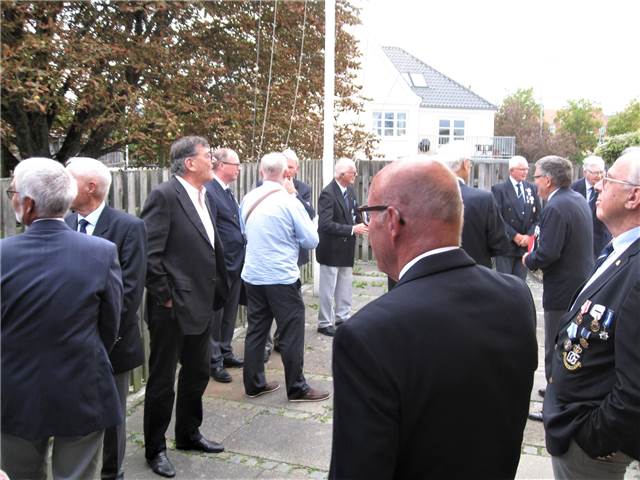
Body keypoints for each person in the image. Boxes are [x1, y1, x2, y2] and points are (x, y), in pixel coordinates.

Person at [329, 158, 537, 479]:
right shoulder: (516, 297)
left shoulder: (367, 335)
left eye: (369, 215)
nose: (367, 229)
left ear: (393, 221)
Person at [1, 158, 123, 479]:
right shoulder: (102, 252)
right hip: (83, 386)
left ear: (28, 204)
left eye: (13, 192)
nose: (11, 198)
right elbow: (109, 325)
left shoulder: (2, 255)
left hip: (15, 393)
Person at [543, 150, 640, 478]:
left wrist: (594, 437)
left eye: (608, 179)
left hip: (591, 446)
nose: (598, 185)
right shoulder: (619, 249)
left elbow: (635, 387)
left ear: (633, 197)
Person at [141, 136, 229, 478]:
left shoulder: (205, 196)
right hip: (173, 308)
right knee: (163, 381)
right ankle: (155, 449)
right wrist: (166, 297)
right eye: (208, 156)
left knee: (198, 372)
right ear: (189, 163)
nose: (214, 160)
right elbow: (150, 255)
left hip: (202, 303)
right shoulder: (164, 196)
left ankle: (188, 434)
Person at [65, 157, 147, 480]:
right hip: (70, 344)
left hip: (112, 343)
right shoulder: (65, 223)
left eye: (69, 180)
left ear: (91, 187)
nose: (63, 186)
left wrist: (96, 337)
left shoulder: (128, 227)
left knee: (112, 417)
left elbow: (129, 293)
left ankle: (113, 474)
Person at [240, 152, 329, 402]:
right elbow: (311, 240)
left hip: (253, 275)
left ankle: (254, 384)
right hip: (281, 277)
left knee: (256, 330)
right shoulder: (290, 202)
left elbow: (243, 231)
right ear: (285, 173)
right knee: (291, 333)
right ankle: (297, 387)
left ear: (261, 172)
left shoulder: (248, 198)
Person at [523, 155, 594, 419]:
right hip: (579, 283)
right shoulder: (576, 199)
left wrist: (528, 259)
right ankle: (558, 391)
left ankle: (552, 406)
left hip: (562, 288)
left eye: (536, 177)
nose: (534, 183)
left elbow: (548, 253)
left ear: (548, 180)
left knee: (555, 346)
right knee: (568, 343)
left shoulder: (556, 206)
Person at [264, 148, 316, 361]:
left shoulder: (302, 188)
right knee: (266, 306)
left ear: (296, 169)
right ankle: (265, 343)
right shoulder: (264, 186)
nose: (287, 171)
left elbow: (310, 215)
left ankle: (281, 339)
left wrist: (293, 194)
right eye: (285, 167)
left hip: (292, 254)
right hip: (269, 254)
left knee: (290, 304)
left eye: (291, 167)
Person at [205, 148, 245, 384]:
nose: (239, 168)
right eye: (235, 164)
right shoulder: (210, 191)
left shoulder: (227, 191)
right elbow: (212, 230)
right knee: (216, 314)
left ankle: (226, 350)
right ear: (221, 165)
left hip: (236, 262)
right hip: (221, 265)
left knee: (230, 311)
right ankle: (214, 360)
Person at [316, 158, 367, 336]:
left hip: (346, 248)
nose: (356, 175)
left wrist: (364, 222)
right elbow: (325, 224)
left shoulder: (350, 190)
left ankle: (342, 318)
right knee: (328, 289)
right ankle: (324, 322)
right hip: (330, 249)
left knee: (345, 286)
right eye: (353, 172)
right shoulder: (328, 193)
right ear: (342, 174)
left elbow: (354, 213)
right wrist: (352, 229)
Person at [439, 143, 510, 267]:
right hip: (475, 271)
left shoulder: (422, 198)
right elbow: (500, 245)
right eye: (470, 165)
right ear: (465, 164)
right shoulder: (483, 199)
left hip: (434, 274)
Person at [492, 155, 541, 280]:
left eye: (526, 169)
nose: (525, 172)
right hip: (506, 245)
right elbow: (497, 218)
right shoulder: (499, 190)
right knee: (505, 283)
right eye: (522, 169)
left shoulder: (531, 188)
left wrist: (529, 236)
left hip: (524, 245)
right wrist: (515, 236)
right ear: (511, 170)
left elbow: (538, 217)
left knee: (520, 283)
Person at [571, 155, 612, 258]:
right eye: (595, 173)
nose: (599, 176)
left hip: (600, 242)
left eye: (601, 172)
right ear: (585, 172)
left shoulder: (609, 188)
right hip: (578, 244)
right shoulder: (574, 188)